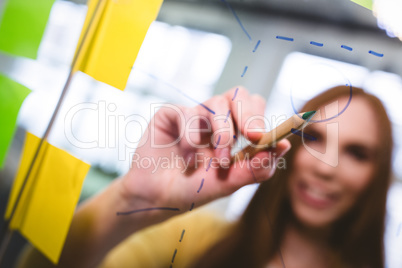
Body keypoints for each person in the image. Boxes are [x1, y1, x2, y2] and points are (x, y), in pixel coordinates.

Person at [17, 85, 393, 268]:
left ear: (378, 177)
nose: (326, 167)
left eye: (357, 153)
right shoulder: (189, 242)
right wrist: (131, 200)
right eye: (314, 138)